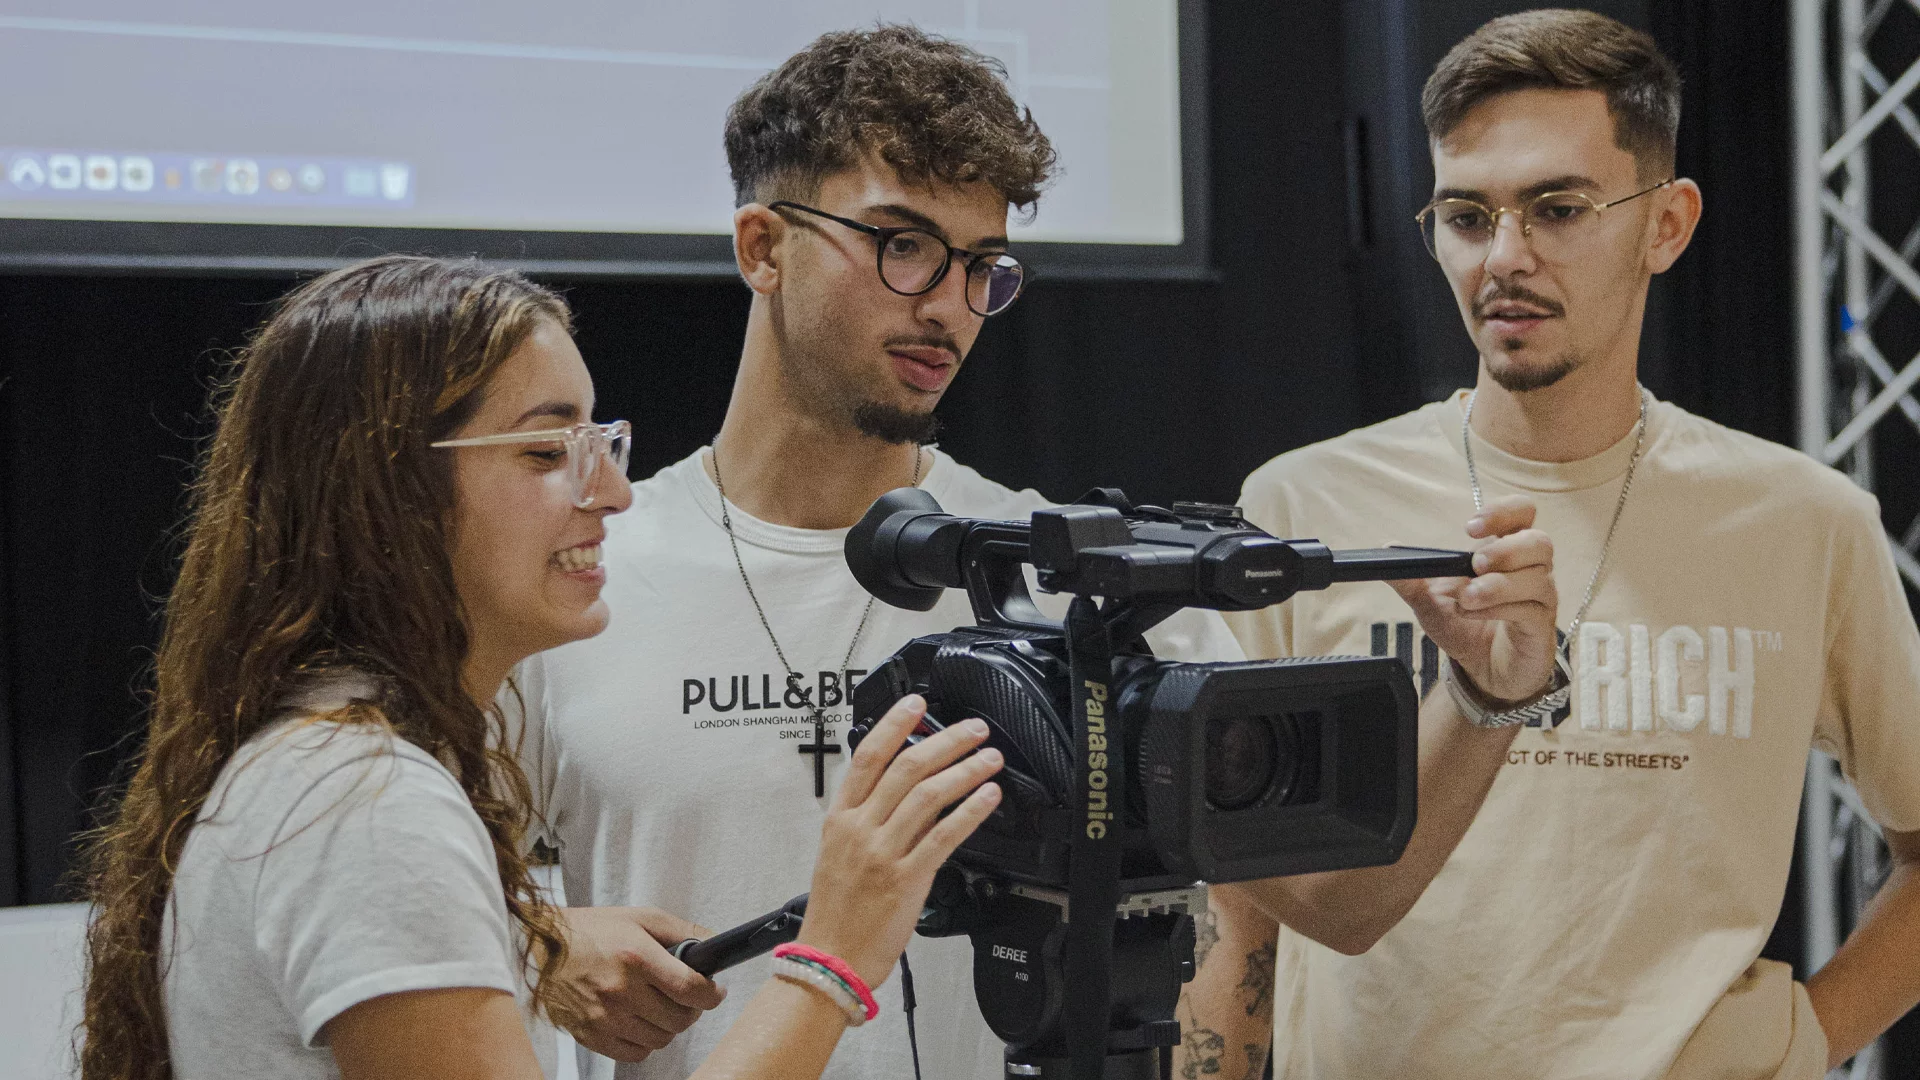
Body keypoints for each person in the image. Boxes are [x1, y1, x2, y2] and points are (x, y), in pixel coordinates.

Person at [517, 24, 1563, 1080]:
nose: (947, 306)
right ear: (762, 248)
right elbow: (423, 892)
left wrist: (1489, 695)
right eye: (902, 244)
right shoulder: (577, 575)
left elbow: (1342, 905)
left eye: (982, 266)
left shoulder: (1076, 583)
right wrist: (540, 941)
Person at [1187, 10, 1920, 1080]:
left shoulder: (1804, 522)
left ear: (1666, 226)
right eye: (1467, 216)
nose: (1505, 258)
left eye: (1558, 209)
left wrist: (1806, 1043)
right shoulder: (1308, 506)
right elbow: (1237, 894)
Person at [78, 254, 1007, 1080]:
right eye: (545, 450)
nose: (611, 493)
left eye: (600, 443)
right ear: (386, 491)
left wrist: (532, 940)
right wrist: (833, 959)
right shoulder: (368, 804)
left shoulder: (333, 766)